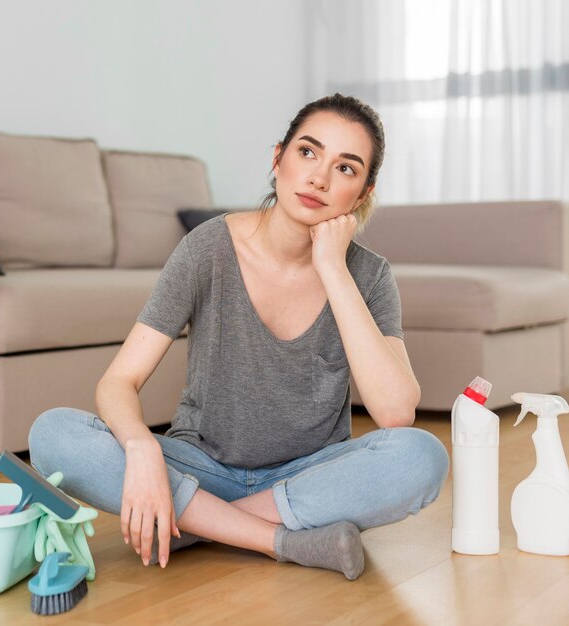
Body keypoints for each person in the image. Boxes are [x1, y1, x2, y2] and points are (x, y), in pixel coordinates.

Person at [29, 93, 449, 581]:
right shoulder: (208, 247)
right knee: (53, 432)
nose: (318, 177)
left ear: (362, 194)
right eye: (308, 153)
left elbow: (396, 412)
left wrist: (333, 268)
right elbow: (118, 381)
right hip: (199, 466)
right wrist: (143, 450)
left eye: (346, 169)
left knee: (422, 456)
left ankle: (197, 523)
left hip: (306, 478)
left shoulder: (370, 276)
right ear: (278, 158)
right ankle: (280, 541)